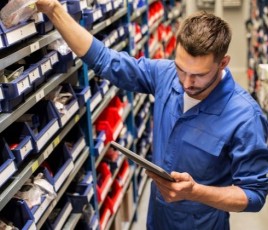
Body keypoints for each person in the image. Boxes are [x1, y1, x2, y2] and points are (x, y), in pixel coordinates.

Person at [36, 1, 268, 229]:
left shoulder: (246, 116)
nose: (186, 82)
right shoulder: (166, 74)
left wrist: (196, 192)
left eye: (199, 75)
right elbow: (104, 59)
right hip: (158, 219)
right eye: (181, 69)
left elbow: (254, 195)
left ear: (223, 63)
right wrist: (54, 9)